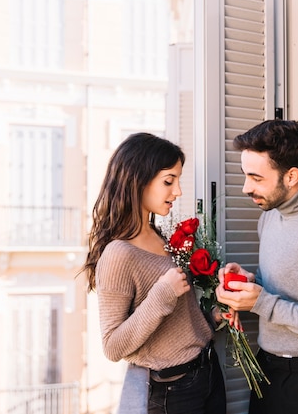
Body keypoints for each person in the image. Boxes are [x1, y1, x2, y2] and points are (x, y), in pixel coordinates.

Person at [82, 132, 226, 414]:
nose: (178, 191)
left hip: (207, 373)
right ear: (138, 180)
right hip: (173, 393)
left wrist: (213, 319)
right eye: (168, 181)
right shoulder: (118, 254)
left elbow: (175, 325)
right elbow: (113, 346)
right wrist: (163, 294)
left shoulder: (159, 235)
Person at [215, 119, 298, 414]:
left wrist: (261, 301)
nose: (246, 188)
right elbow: (288, 284)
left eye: (256, 177)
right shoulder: (269, 216)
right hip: (266, 368)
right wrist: (250, 281)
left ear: (291, 176)